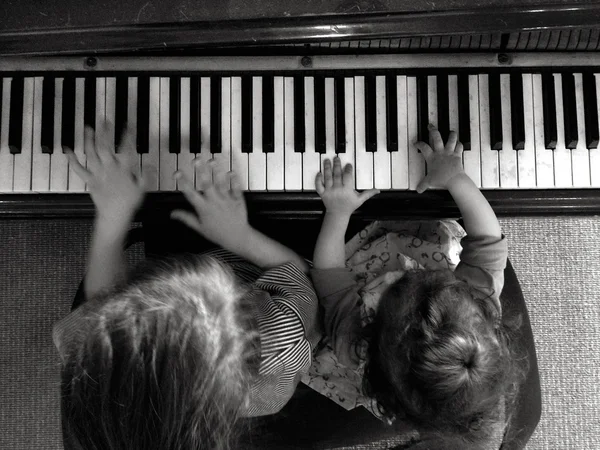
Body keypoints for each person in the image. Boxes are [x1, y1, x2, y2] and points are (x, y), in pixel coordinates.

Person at [53, 122, 321, 450]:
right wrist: (240, 236)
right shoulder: (281, 337)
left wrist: (113, 216)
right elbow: (294, 276)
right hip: (255, 272)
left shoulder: (88, 357)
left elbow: (100, 301)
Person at [308, 125, 525, 448]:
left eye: (396, 291)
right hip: (424, 245)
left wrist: (338, 213)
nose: (404, 276)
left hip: (366, 261)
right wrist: (454, 178)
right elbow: (488, 239)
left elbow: (329, 275)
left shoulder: (355, 346)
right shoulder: (480, 303)